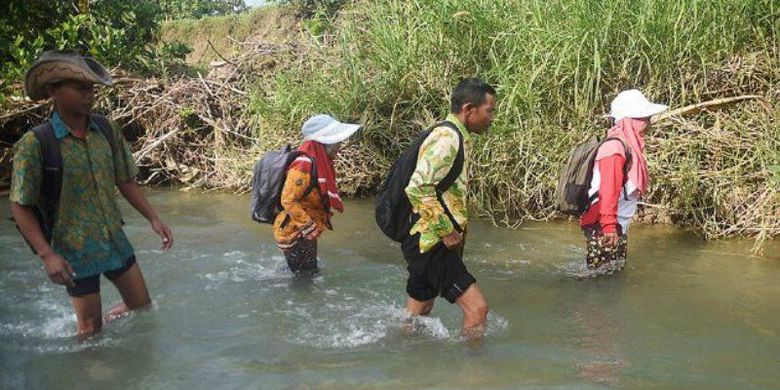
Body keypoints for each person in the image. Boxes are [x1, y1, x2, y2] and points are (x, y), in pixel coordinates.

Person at [10, 50, 174, 337]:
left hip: (113, 239)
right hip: (74, 250)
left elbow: (124, 180)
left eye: (92, 89)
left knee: (142, 307)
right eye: (81, 88)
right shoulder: (35, 144)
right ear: (54, 91)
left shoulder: (106, 130)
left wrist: (153, 218)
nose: (90, 95)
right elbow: (20, 206)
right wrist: (47, 254)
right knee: (89, 334)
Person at [402, 78, 496, 339]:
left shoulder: (453, 135)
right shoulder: (448, 138)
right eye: (489, 111)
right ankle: (470, 374)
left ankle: (404, 356)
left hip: (423, 238)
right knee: (477, 309)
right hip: (431, 241)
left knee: (419, 308)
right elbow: (417, 187)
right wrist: (445, 230)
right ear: (469, 109)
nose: (492, 118)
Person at [580, 89, 668, 273]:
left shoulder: (626, 146)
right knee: (599, 279)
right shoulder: (615, 148)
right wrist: (609, 227)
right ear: (631, 120)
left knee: (611, 274)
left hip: (613, 225)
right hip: (604, 226)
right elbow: (608, 190)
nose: (648, 123)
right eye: (644, 118)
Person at [273, 114, 361, 273]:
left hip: (301, 230)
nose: (339, 146)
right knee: (306, 278)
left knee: (305, 274)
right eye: (335, 142)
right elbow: (288, 199)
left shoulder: (317, 162)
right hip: (296, 232)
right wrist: (309, 227)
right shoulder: (303, 165)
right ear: (322, 144)